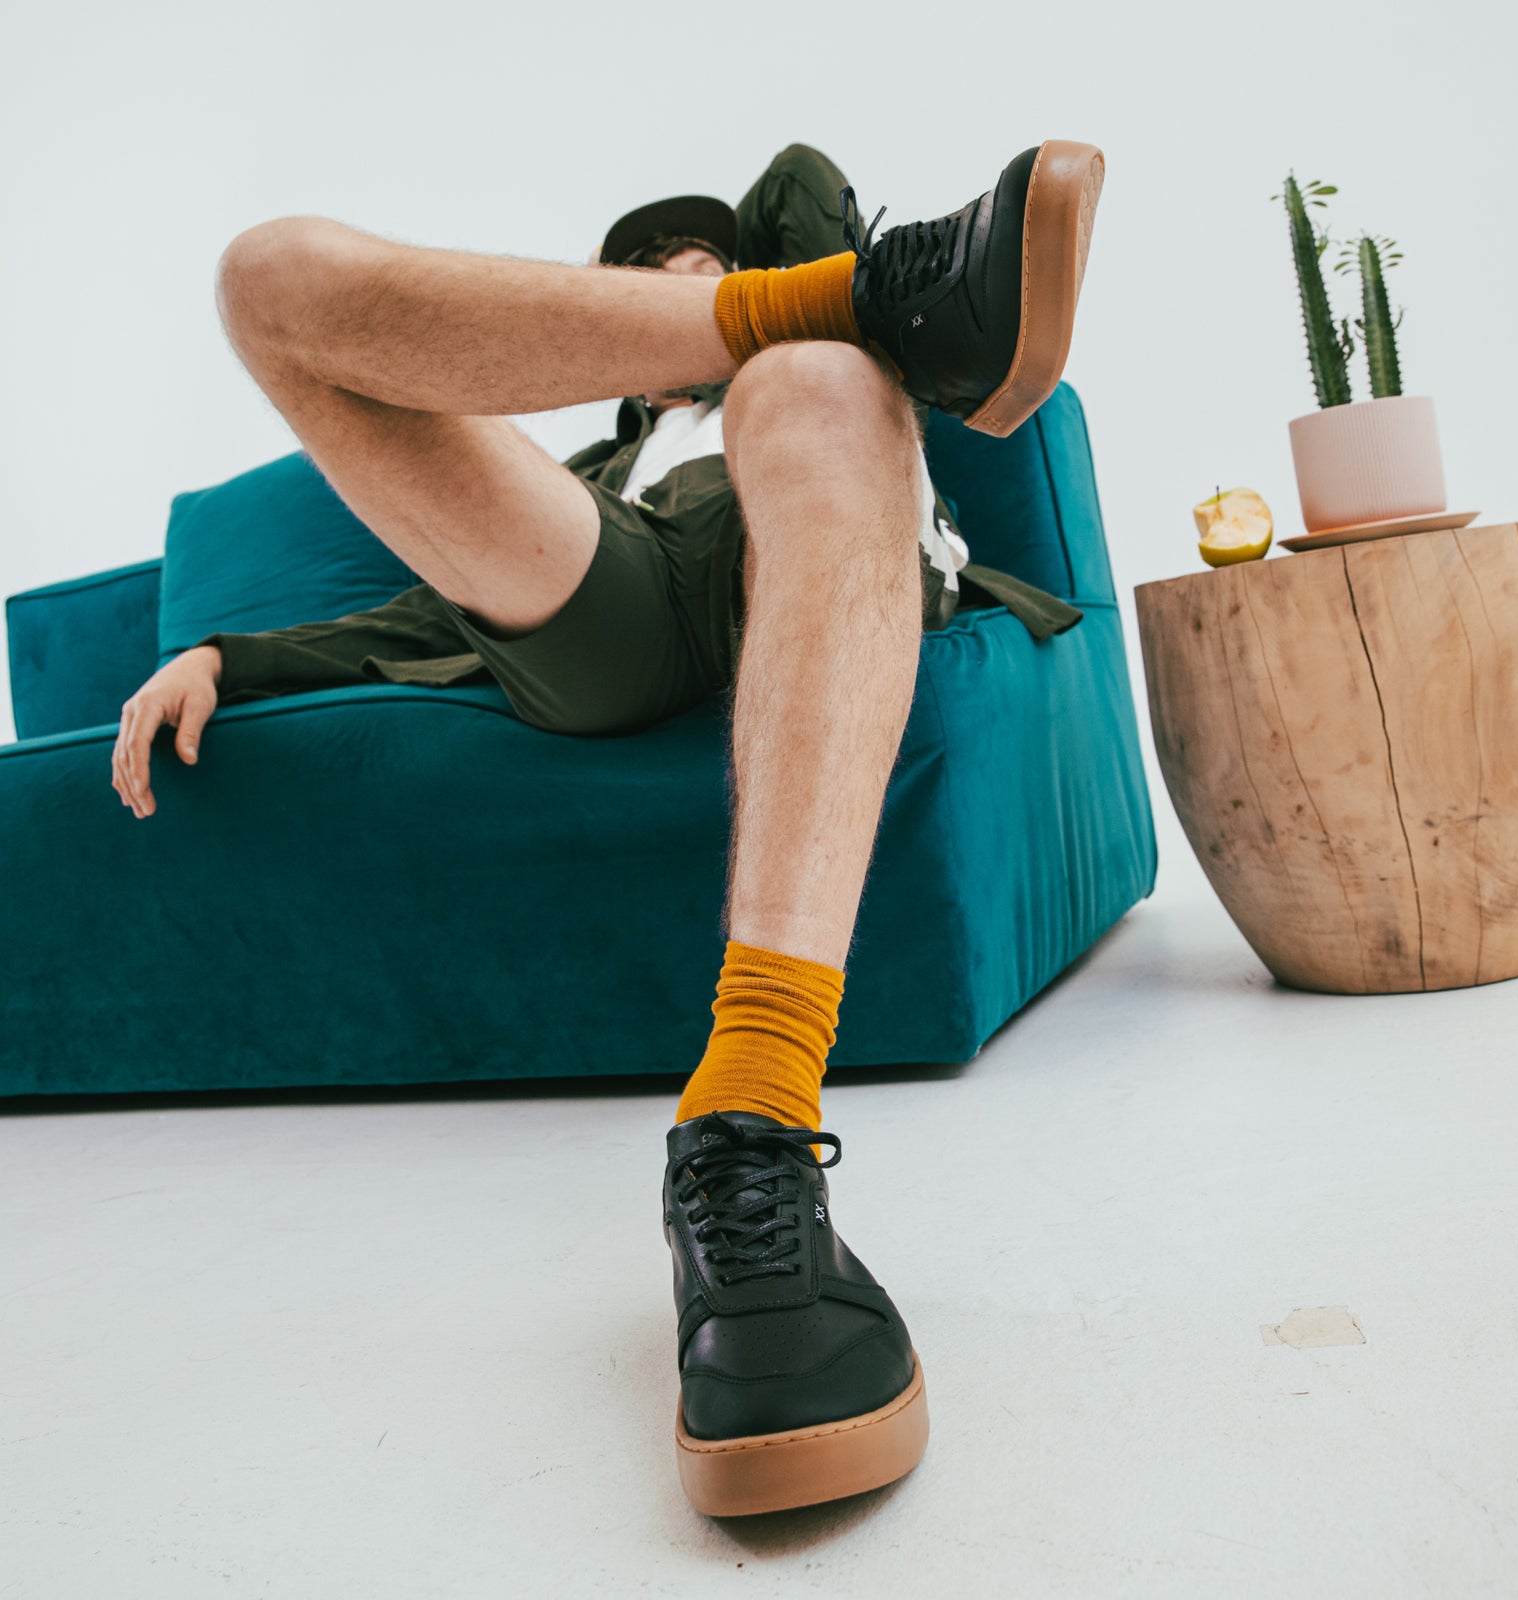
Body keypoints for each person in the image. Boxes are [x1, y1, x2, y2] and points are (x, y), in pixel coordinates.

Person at [107, 139, 1104, 1515]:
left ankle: (752, 1109)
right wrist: (229, 655)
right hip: (629, 590)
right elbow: (435, 609)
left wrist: (755, 302)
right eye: (642, 293)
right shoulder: (602, 464)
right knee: (266, 275)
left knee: (817, 374)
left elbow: (802, 179)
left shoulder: (807, 375)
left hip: (813, 521)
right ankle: (871, 295)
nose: (668, 287)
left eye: (700, 275)